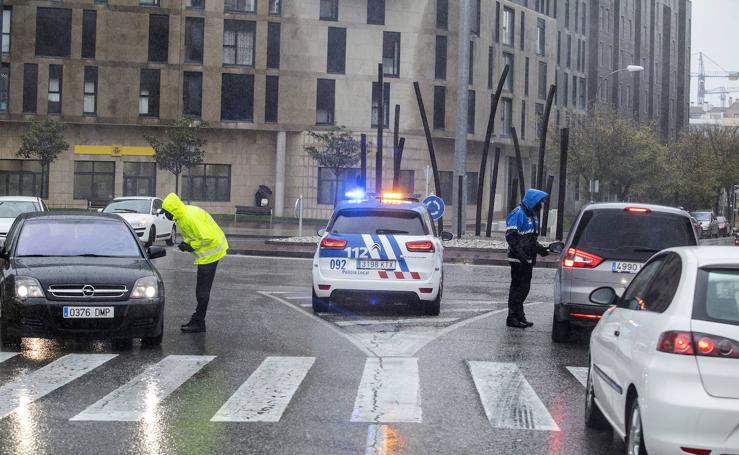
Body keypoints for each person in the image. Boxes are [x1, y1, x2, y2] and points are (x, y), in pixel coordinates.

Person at [161, 193, 228, 333]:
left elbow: (207, 238)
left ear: (172, 210)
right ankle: (198, 320)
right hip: (209, 252)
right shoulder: (182, 216)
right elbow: (195, 235)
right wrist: (186, 243)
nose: (165, 216)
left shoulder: (188, 217)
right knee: (201, 290)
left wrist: (191, 246)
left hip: (211, 253)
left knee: (202, 291)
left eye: (166, 212)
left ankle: (199, 322)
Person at [505, 189, 549, 329]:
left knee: (524, 289)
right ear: (533, 201)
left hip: (528, 259)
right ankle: (512, 317)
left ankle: (519, 315)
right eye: (539, 202)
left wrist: (540, 249)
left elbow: (530, 239)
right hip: (518, 260)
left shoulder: (533, 215)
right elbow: (511, 237)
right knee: (517, 289)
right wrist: (521, 255)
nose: (541, 205)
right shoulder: (518, 213)